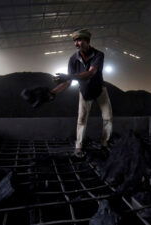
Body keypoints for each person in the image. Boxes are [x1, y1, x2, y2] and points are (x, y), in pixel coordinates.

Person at [50, 28, 113, 158]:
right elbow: (67, 83)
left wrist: (68, 77)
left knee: (108, 118)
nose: (76, 44)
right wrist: (52, 92)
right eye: (75, 41)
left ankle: (105, 143)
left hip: (100, 90)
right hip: (84, 91)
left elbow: (90, 73)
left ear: (87, 41)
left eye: (79, 40)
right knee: (82, 120)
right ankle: (78, 146)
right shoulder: (73, 59)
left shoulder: (98, 55)